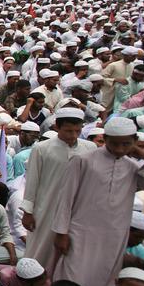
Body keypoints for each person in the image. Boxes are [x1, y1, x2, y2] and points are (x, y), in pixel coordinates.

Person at [51, 116, 144, 286]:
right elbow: (65, 199)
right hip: (80, 232)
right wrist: (61, 232)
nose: (119, 149)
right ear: (106, 138)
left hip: (114, 236)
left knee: (100, 283)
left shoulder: (134, 167)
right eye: (114, 143)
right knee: (71, 279)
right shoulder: (83, 160)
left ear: (134, 142)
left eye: (126, 144)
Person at [20, 107, 96, 270]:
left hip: (78, 209)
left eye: (77, 130)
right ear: (57, 127)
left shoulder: (90, 148)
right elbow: (32, 181)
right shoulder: (42, 148)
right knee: (40, 248)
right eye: (68, 131)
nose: (73, 135)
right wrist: (28, 212)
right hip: (46, 208)